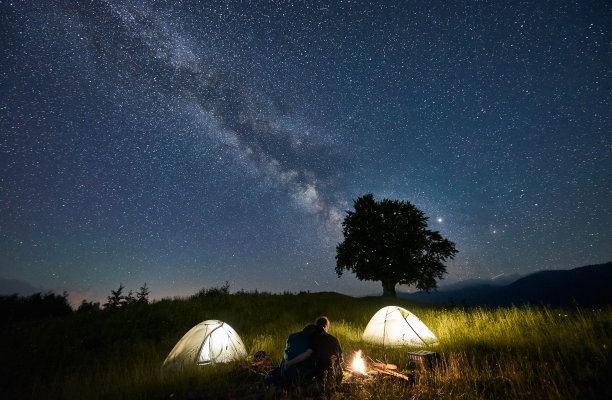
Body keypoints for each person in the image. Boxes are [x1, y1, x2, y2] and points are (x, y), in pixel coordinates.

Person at [265, 324, 316, 388]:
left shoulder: (292, 336)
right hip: (300, 373)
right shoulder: (312, 339)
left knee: (283, 361)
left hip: (287, 371)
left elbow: (286, 354)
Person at [310, 316, 343, 386]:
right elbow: (341, 359)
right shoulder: (334, 339)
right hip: (338, 375)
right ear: (325, 326)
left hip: (321, 377)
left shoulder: (313, 339)